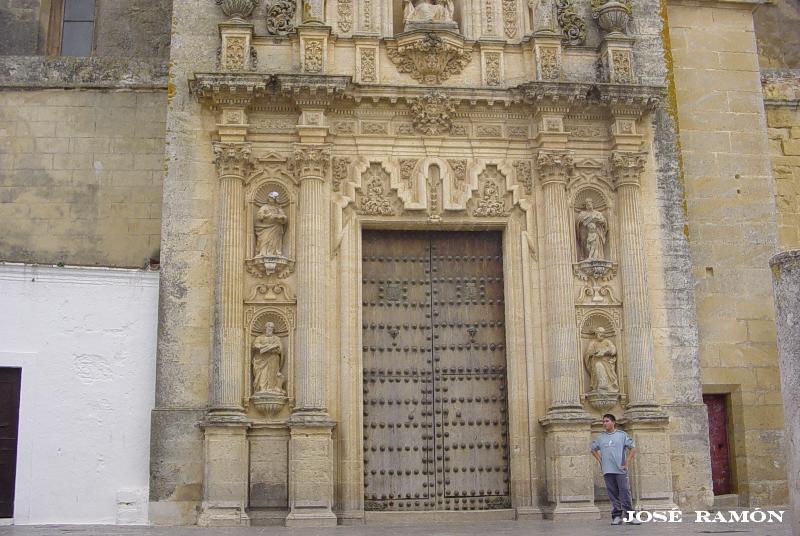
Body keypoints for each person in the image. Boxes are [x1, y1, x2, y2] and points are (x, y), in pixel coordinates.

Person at [591, 414, 640, 525]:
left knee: (625, 492)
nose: (604, 423)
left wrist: (626, 462)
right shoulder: (600, 437)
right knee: (612, 494)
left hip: (620, 469)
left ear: (613, 422)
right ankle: (616, 516)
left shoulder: (622, 435)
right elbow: (593, 449)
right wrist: (600, 460)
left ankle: (630, 516)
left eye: (607, 421)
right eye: (603, 421)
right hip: (607, 470)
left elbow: (632, 448)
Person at [252, 322, 285, 394]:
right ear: (265, 328)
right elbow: (255, 345)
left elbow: (280, 350)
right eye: (269, 327)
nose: (270, 328)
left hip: (273, 358)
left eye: (272, 327)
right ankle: (262, 388)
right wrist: (265, 346)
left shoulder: (276, 338)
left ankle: (272, 388)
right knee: (262, 374)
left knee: (272, 373)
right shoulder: (259, 338)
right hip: (262, 360)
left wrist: (274, 348)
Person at [584, 327, 619, 393]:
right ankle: (601, 385)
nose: (602, 335)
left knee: (602, 368)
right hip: (596, 361)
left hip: (607, 362)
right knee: (598, 366)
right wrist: (595, 353)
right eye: (600, 333)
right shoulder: (593, 343)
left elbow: (614, 351)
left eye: (603, 334)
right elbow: (588, 353)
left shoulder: (607, 342)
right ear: (596, 334)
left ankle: (608, 386)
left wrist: (605, 352)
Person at [255, 191, 288, 258]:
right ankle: (263, 252)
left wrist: (281, 217)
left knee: (275, 241)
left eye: (272, 198)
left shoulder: (278, 208)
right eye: (270, 198)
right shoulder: (264, 207)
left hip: (276, 227)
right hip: (266, 227)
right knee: (265, 239)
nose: (270, 199)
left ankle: (275, 252)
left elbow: (284, 218)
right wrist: (267, 216)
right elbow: (259, 216)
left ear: (275, 200)